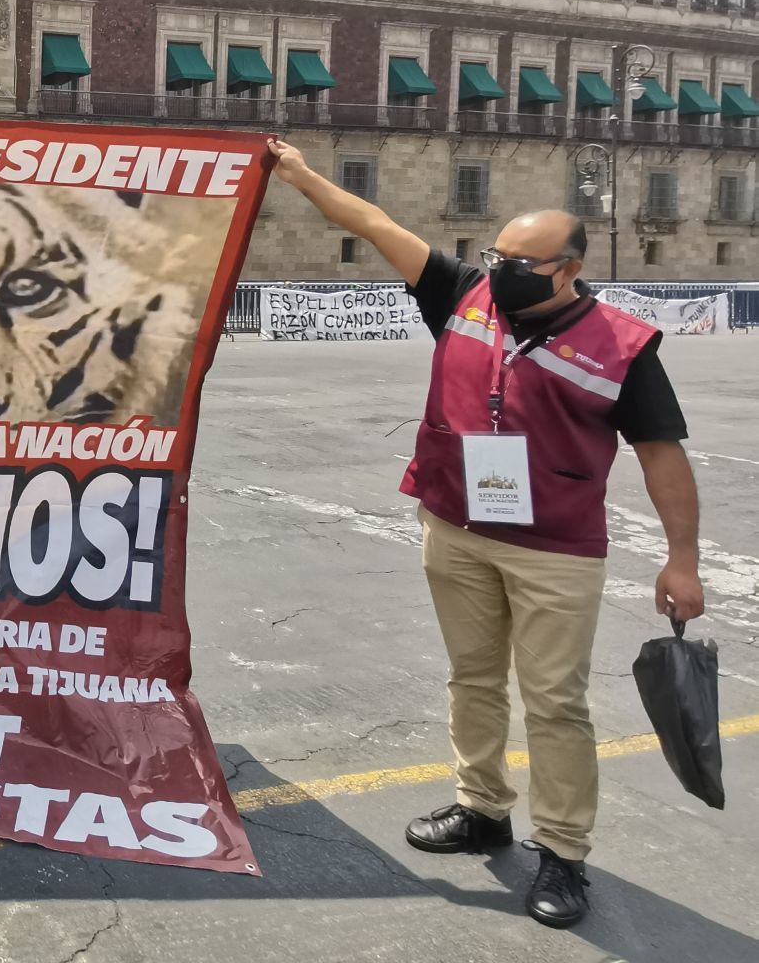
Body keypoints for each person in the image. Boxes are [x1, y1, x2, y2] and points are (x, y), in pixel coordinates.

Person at [267, 138, 705, 930]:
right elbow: (369, 220)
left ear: (567, 269)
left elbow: (660, 456)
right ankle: (481, 806)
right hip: (455, 525)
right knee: (470, 677)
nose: (498, 268)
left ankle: (564, 854)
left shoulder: (621, 347)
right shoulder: (461, 293)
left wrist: (681, 559)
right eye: (496, 252)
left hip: (554, 549)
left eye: (520, 261)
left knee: (553, 703)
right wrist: (298, 177)